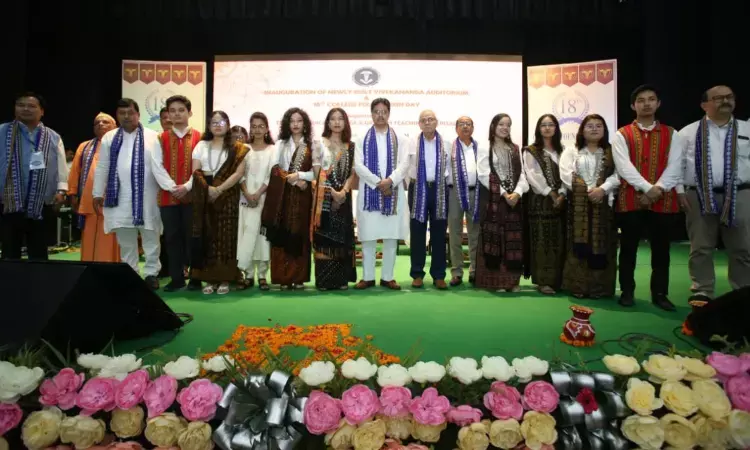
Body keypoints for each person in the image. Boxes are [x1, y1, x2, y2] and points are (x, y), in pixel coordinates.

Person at [92, 98, 178, 289]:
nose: (126, 117)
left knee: (151, 237)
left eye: (130, 113)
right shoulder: (109, 138)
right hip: (119, 197)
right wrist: (97, 192)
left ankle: (151, 274)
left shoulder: (153, 136)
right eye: (122, 113)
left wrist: (172, 188)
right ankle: (131, 273)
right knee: (125, 238)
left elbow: (159, 167)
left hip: (148, 197)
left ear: (138, 115)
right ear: (117, 116)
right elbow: (103, 166)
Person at [612, 85, 684, 311]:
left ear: (658, 103)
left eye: (651, 99)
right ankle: (627, 291)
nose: (646, 104)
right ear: (633, 106)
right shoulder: (622, 134)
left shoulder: (672, 134)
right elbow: (623, 167)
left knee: (661, 250)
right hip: (630, 199)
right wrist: (646, 189)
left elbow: (676, 165)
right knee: (628, 249)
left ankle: (660, 294)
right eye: (641, 100)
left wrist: (658, 189)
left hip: (663, 200)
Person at [677, 85, 750, 303]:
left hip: (740, 194)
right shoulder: (688, 132)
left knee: (743, 248)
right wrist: (679, 191)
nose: (725, 101)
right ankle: (702, 291)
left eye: (729, 97)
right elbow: (676, 165)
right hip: (698, 195)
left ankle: (743, 292)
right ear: (704, 105)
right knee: (700, 247)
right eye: (718, 98)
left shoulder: (746, 129)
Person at [180, 111, 247, 295]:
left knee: (227, 237)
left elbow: (239, 173)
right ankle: (209, 278)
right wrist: (208, 189)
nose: (218, 125)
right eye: (214, 122)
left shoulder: (237, 148)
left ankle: (225, 278)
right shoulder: (201, 145)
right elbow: (196, 172)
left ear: (228, 124)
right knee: (208, 235)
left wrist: (219, 189)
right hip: (205, 194)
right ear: (209, 126)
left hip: (228, 195)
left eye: (221, 122)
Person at [0, 92, 69, 260]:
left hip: (42, 202)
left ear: (42, 111)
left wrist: (61, 190)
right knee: (9, 250)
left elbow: (61, 165)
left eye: (31, 106)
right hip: (8, 201)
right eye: (21, 105)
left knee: (38, 251)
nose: (25, 109)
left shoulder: (53, 136)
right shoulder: (2, 131)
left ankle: (39, 277)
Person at [560, 114, 620, 298]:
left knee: (602, 245)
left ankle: (599, 288)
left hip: (604, 205)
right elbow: (565, 174)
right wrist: (586, 191)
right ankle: (578, 287)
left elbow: (618, 174)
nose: (594, 129)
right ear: (582, 130)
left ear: (604, 130)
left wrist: (602, 189)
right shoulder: (572, 151)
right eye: (590, 126)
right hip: (578, 207)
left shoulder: (612, 152)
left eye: (598, 126)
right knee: (579, 245)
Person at [353, 98, 410, 290]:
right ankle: (368, 277)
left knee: (391, 236)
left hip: (393, 193)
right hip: (369, 193)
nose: (380, 115)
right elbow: (358, 165)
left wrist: (390, 181)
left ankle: (387, 277)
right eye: (376, 111)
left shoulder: (400, 138)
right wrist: (378, 182)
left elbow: (404, 164)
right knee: (368, 236)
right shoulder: (361, 137)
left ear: (389, 113)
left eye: (384, 111)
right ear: (371, 114)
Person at [261, 107, 320, 289]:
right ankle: (283, 278)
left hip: (302, 196)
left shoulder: (313, 145)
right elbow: (275, 169)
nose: (295, 124)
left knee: (299, 234)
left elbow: (317, 173)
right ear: (287, 124)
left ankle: (299, 277)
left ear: (305, 124)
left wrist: (302, 177)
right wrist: (292, 179)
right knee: (282, 233)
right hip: (282, 196)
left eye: (299, 121)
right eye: (292, 121)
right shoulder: (280, 144)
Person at [475, 113, 529, 292]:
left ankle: (512, 282)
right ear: (493, 127)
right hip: (494, 200)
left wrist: (517, 193)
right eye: (501, 124)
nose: (505, 128)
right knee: (494, 239)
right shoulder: (485, 147)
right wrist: (505, 193)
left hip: (514, 201)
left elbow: (522, 174)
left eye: (508, 125)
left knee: (513, 240)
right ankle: (495, 282)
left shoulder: (514, 148)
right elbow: (483, 174)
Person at [158, 95, 202, 292]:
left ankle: (196, 277)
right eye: (172, 111)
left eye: (181, 110)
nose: (177, 114)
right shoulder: (160, 138)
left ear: (189, 113)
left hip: (194, 196)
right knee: (172, 238)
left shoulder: (201, 138)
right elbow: (156, 166)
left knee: (194, 237)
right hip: (168, 197)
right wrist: (173, 188)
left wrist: (187, 186)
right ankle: (176, 278)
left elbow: (203, 166)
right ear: (168, 114)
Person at [312, 108, 358, 291]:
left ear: (345, 122)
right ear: (328, 122)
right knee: (324, 238)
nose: (337, 122)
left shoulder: (351, 146)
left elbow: (352, 173)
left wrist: (343, 192)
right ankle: (324, 280)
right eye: (333, 119)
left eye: (340, 119)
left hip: (344, 198)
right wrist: (332, 193)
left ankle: (341, 280)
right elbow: (317, 172)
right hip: (324, 196)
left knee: (342, 238)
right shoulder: (319, 144)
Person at [67, 112, 120, 262]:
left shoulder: (122, 144)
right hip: (88, 201)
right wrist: (72, 193)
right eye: (97, 123)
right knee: (90, 236)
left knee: (112, 237)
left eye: (105, 122)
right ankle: (89, 267)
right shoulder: (84, 147)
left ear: (115, 126)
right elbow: (75, 172)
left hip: (115, 202)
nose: (100, 124)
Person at [524, 114, 567, 294]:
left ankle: (559, 280)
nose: (547, 128)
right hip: (540, 202)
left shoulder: (563, 150)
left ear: (556, 128)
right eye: (543, 125)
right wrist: (551, 193)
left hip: (562, 202)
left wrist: (562, 194)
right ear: (538, 129)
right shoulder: (531, 151)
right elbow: (533, 176)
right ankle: (543, 281)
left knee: (560, 239)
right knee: (542, 240)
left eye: (551, 125)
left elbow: (568, 174)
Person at [408, 110, 450, 289]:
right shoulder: (412, 142)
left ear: (436, 122)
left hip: (439, 190)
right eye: (423, 120)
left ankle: (439, 275)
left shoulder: (446, 143)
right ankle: (417, 273)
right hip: (417, 189)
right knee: (417, 232)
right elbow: (405, 165)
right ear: (419, 124)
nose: (427, 122)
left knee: (439, 232)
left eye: (430, 119)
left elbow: (450, 168)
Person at [238, 113, 276, 290]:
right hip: (245, 198)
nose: (257, 130)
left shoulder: (272, 150)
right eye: (254, 126)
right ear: (250, 129)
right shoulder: (244, 149)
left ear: (267, 128)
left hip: (264, 200)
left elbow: (271, 175)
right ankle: (248, 274)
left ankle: (262, 275)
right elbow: (239, 174)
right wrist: (247, 193)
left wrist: (258, 193)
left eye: (261, 126)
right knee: (245, 234)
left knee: (262, 237)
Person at [447, 116, 480, 287]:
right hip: (455, 193)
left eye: (468, 124)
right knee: (455, 234)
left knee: (475, 234)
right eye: (461, 124)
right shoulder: (449, 148)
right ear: (456, 128)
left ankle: (475, 271)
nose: (465, 127)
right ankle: (457, 272)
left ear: (473, 128)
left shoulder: (479, 148)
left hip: (475, 193)